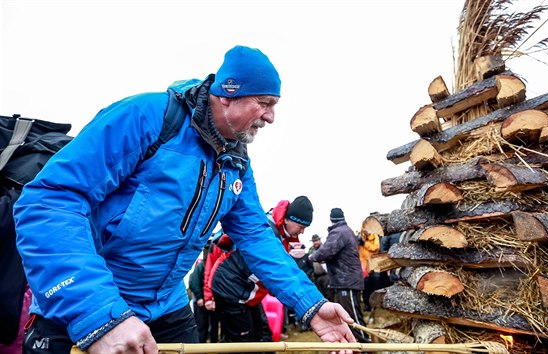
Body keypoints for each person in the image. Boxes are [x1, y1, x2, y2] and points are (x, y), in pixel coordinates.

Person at [14, 46, 356, 354]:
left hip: (166, 308)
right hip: (91, 302)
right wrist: (97, 314)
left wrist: (311, 304)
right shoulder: (147, 117)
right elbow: (48, 201)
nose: (270, 117)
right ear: (228, 94)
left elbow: (256, 237)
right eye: (264, 103)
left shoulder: (235, 162)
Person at [209, 196, 314, 351]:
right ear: (287, 220)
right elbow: (274, 274)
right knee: (243, 343)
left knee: (264, 336)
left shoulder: (284, 237)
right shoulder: (267, 232)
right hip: (230, 288)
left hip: (247, 293)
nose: (303, 231)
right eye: (301, 225)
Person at [309, 208, 370, 343]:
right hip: (346, 280)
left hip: (346, 281)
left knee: (351, 315)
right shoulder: (345, 230)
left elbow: (326, 251)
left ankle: (365, 344)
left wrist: (311, 257)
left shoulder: (338, 232)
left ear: (331, 219)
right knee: (348, 314)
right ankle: (356, 342)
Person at [308, 234, 332, 301]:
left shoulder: (325, 248)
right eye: (313, 241)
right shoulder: (310, 250)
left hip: (326, 275)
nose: (315, 242)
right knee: (320, 295)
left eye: (316, 240)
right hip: (316, 276)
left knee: (329, 294)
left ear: (319, 240)